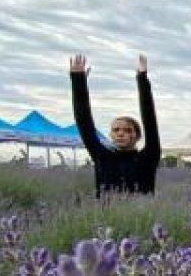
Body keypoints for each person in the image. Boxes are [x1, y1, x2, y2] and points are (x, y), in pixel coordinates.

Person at [69, 53, 161, 197]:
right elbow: (84, 122)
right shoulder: (102, 156)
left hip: (141, 218)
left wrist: (142, 80)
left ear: (136, 135)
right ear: (111, 134)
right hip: (106, 219)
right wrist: (78, 80)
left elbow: (150, 119)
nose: (120, 133)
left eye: (127, 130)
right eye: (116, 130)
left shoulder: (148, 157)